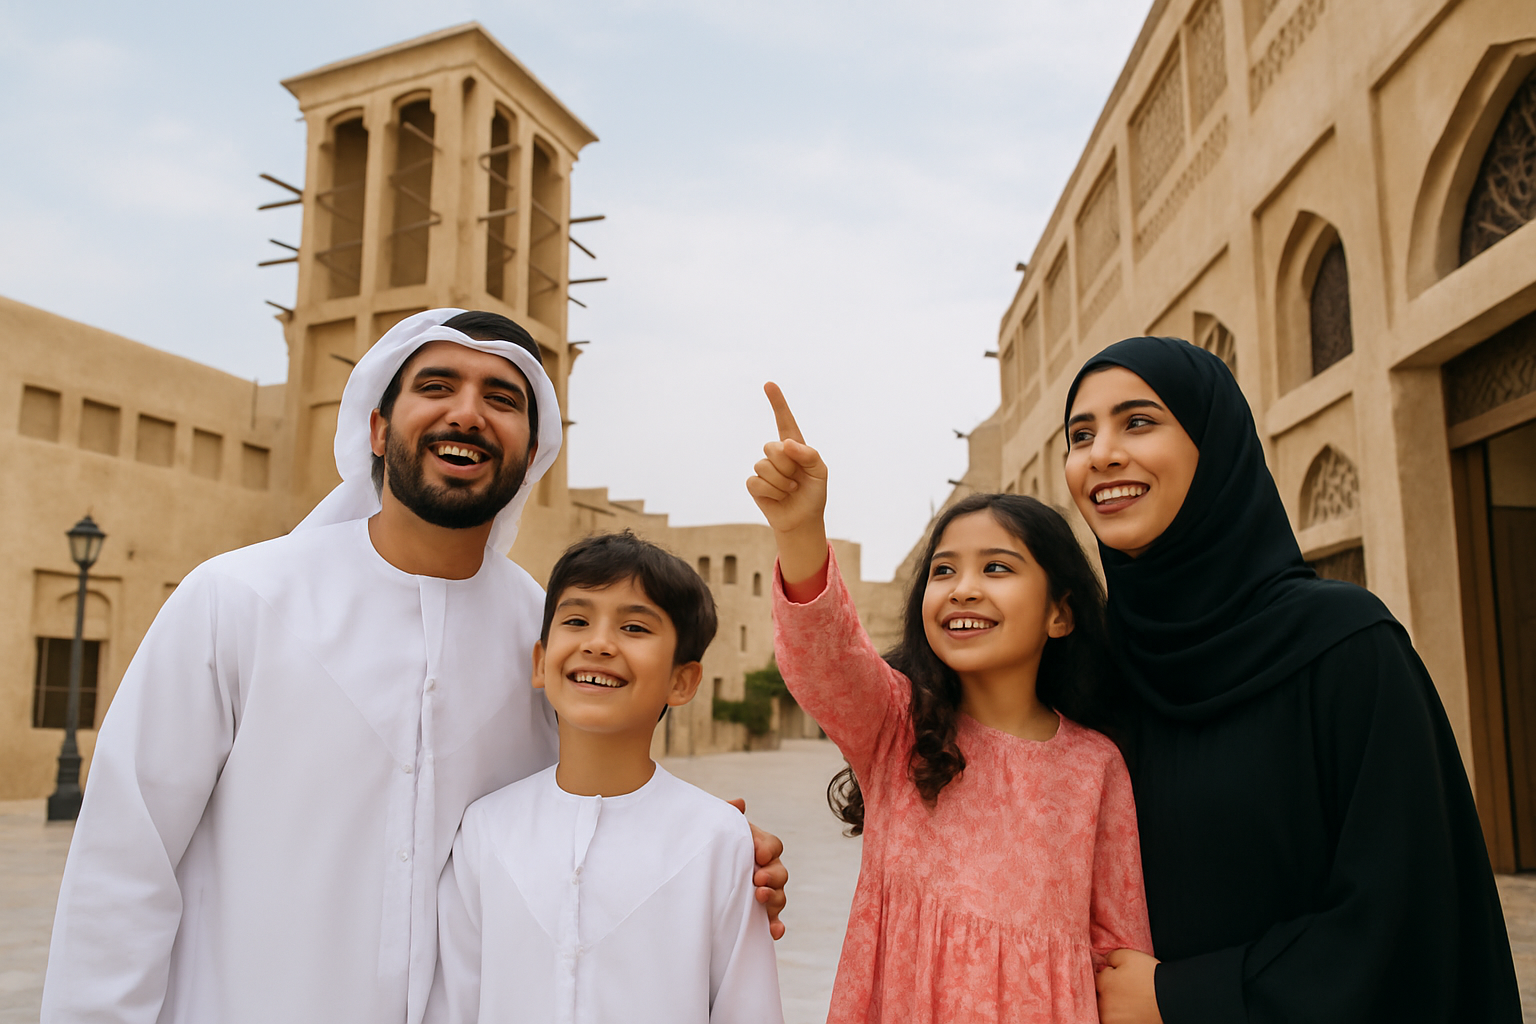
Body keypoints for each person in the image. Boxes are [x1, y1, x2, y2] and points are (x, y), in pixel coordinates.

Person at [41, 310, 787, 1024]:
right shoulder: (239, 599)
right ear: (376, 428)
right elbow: (122, 864)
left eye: (501, 398)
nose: (467, 413)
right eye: (436, 387)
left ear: (532, 456)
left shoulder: (544, 636)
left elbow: (580, 806)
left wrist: (707, 847)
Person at [1064, 336, 1521, 1024]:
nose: (1101, 453)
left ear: (1213, 445)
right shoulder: (1091, 673)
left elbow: (1406, 911)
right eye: (1080, 434)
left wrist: (1180, 997)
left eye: (1138, 421)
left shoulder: (1343, 647)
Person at [746, 383, 1152, 1024]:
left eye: (997, 568)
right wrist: (800, 530)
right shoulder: (897, 727)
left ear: (1059, 614)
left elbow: (1120, 950)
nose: (962, 590)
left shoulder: (1095, 765)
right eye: (943, 571)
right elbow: (824, 660)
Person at [428, 531, 784, 1024]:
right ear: (539, 661)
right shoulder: (484, 832)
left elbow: (750, 1008)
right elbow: (454, 1006)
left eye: (635, 628)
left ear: (682, 681)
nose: (598, 643)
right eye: (576, 620)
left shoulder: (718, 841)